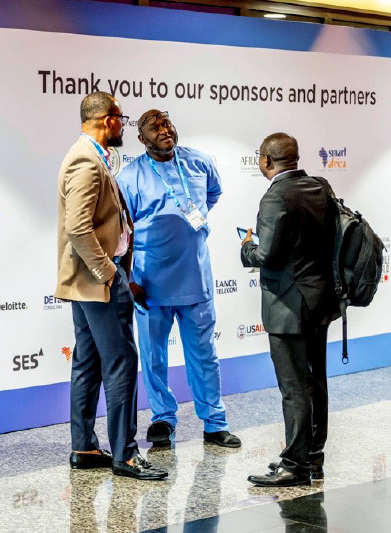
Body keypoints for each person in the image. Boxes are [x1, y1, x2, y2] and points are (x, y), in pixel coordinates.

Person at [56, 92, 167, 481]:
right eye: (122, 117)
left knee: (88, 361)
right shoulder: (86, 161)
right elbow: (78, 227)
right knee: (121, 362)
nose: (124, 124)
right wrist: (108, 272)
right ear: (108, 120)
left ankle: (84, 447)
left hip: (88, 281)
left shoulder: (90, 156)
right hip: (99, 280)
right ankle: (126, 454)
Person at [116, 109, 240, 449]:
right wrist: (129, 279)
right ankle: (163, 418)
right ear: (141, 139)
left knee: (204, 355)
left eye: (166, 123)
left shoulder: (200, 162)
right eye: (154, 127)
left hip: (195, 277)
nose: (163, 130)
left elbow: (212, 195)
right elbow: (122, 231)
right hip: (149, 282)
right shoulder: (130, 177)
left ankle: (215, 422)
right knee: (153, 357)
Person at [241, 132, 340, 487]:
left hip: (287, 307)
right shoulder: (320, 187)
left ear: (266, 161)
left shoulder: (274, 197)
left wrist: (246, 248)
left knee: (294, 386)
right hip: (319, 301)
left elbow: (268, 255)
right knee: (315, 381)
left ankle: (294, 466)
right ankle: (313, 454)